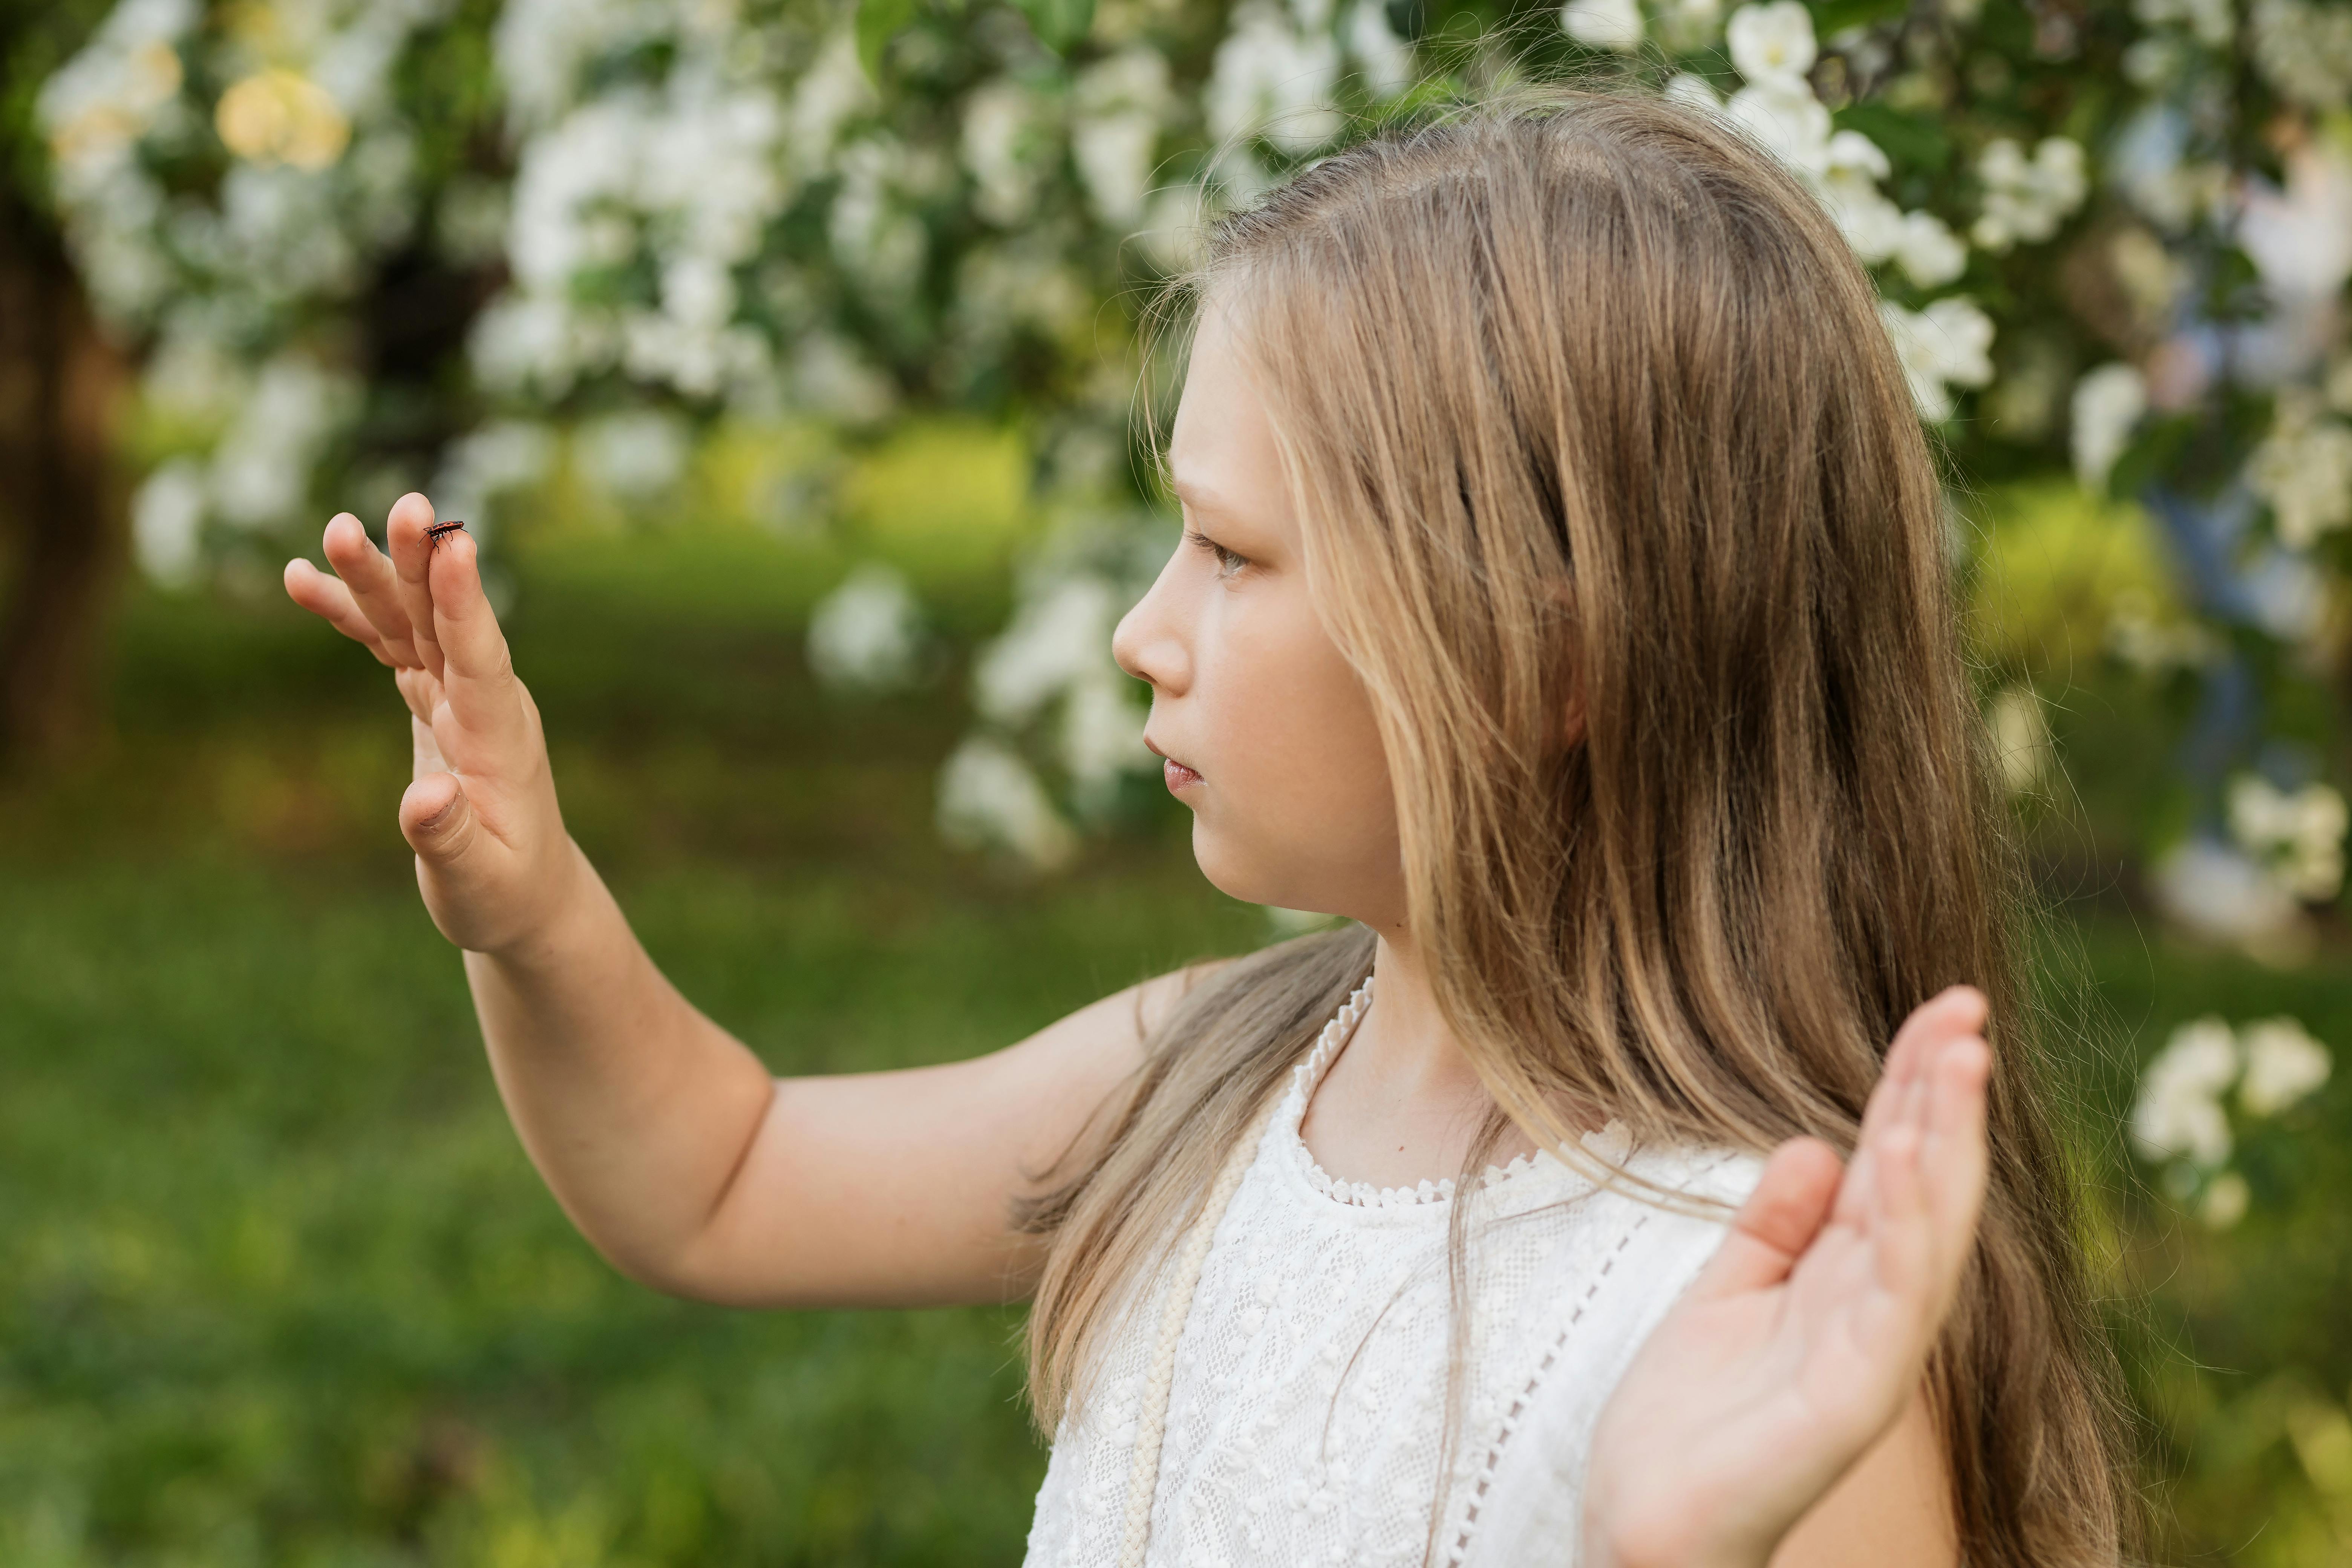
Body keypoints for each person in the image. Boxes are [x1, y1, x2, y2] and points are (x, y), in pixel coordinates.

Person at [283, 93, 2128, 1566]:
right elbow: (719, 1177)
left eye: (1232, 554)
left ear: (1547, 653)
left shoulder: (1776, 1328)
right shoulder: (1219, 1077)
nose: (1141, 630)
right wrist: (533, 907)